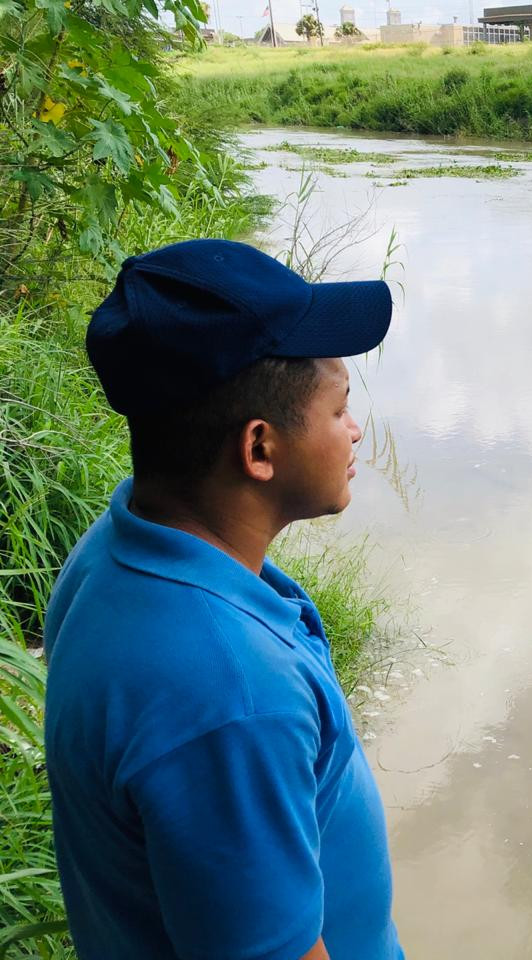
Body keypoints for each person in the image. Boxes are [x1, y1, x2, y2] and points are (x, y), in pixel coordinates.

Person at [42, 239, 403, 960]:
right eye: (339, 409)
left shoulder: (114, 548)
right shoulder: (229, 695)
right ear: (259, 449)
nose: (356, 429)